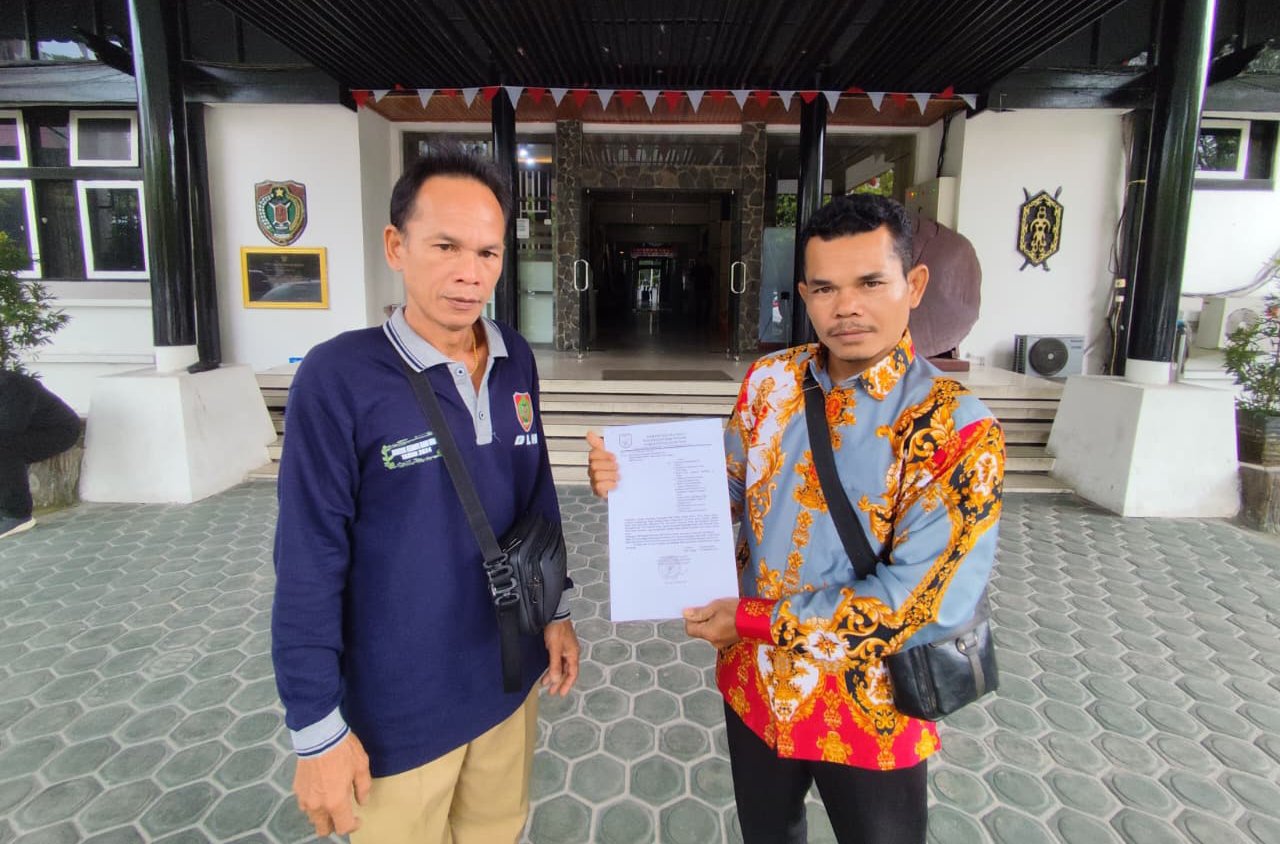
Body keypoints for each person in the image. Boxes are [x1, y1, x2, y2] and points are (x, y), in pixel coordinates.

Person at [588, 194, 1004, 844]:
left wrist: (750, 620)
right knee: (767, 833)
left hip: (871, 708)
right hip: (758, 688)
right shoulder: (770, 382)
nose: (846, 307)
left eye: (871, 283)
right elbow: (723, 487)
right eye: (825, 288)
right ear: (804, 294)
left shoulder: (954, 428)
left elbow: (921, 603)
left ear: (914, 284)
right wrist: (632, 484)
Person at [272, 145, 580, 843]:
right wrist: (315, 731)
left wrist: (556, 611)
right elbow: (307, 560)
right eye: (445, 246)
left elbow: (536, 495)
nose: (470, 274)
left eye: (488, 253)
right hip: (397, 714)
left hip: (507, 680)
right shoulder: (338, 377)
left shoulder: (515, 359)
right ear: (396, 246)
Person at [0, 370, 81, 539]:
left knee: (5, 446)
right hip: (24, 430)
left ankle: (17, 515)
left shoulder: (15, 386)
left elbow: (10, 428)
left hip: (57, 431)